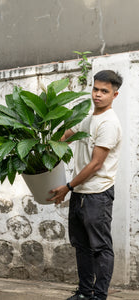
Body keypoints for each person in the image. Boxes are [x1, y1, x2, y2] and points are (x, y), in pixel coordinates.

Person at [49, 70, 123, 300]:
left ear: (114, 95)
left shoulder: (109, 124)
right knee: (81, 246)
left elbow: (96, 164)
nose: (98, 95)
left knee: (100, 248)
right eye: (95, 89)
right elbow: (65, 135)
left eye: (104, 91)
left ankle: (99, 296)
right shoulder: (88, 118)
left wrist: (67, 187)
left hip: (97, 194)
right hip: (80, 192)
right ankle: (84, 292)